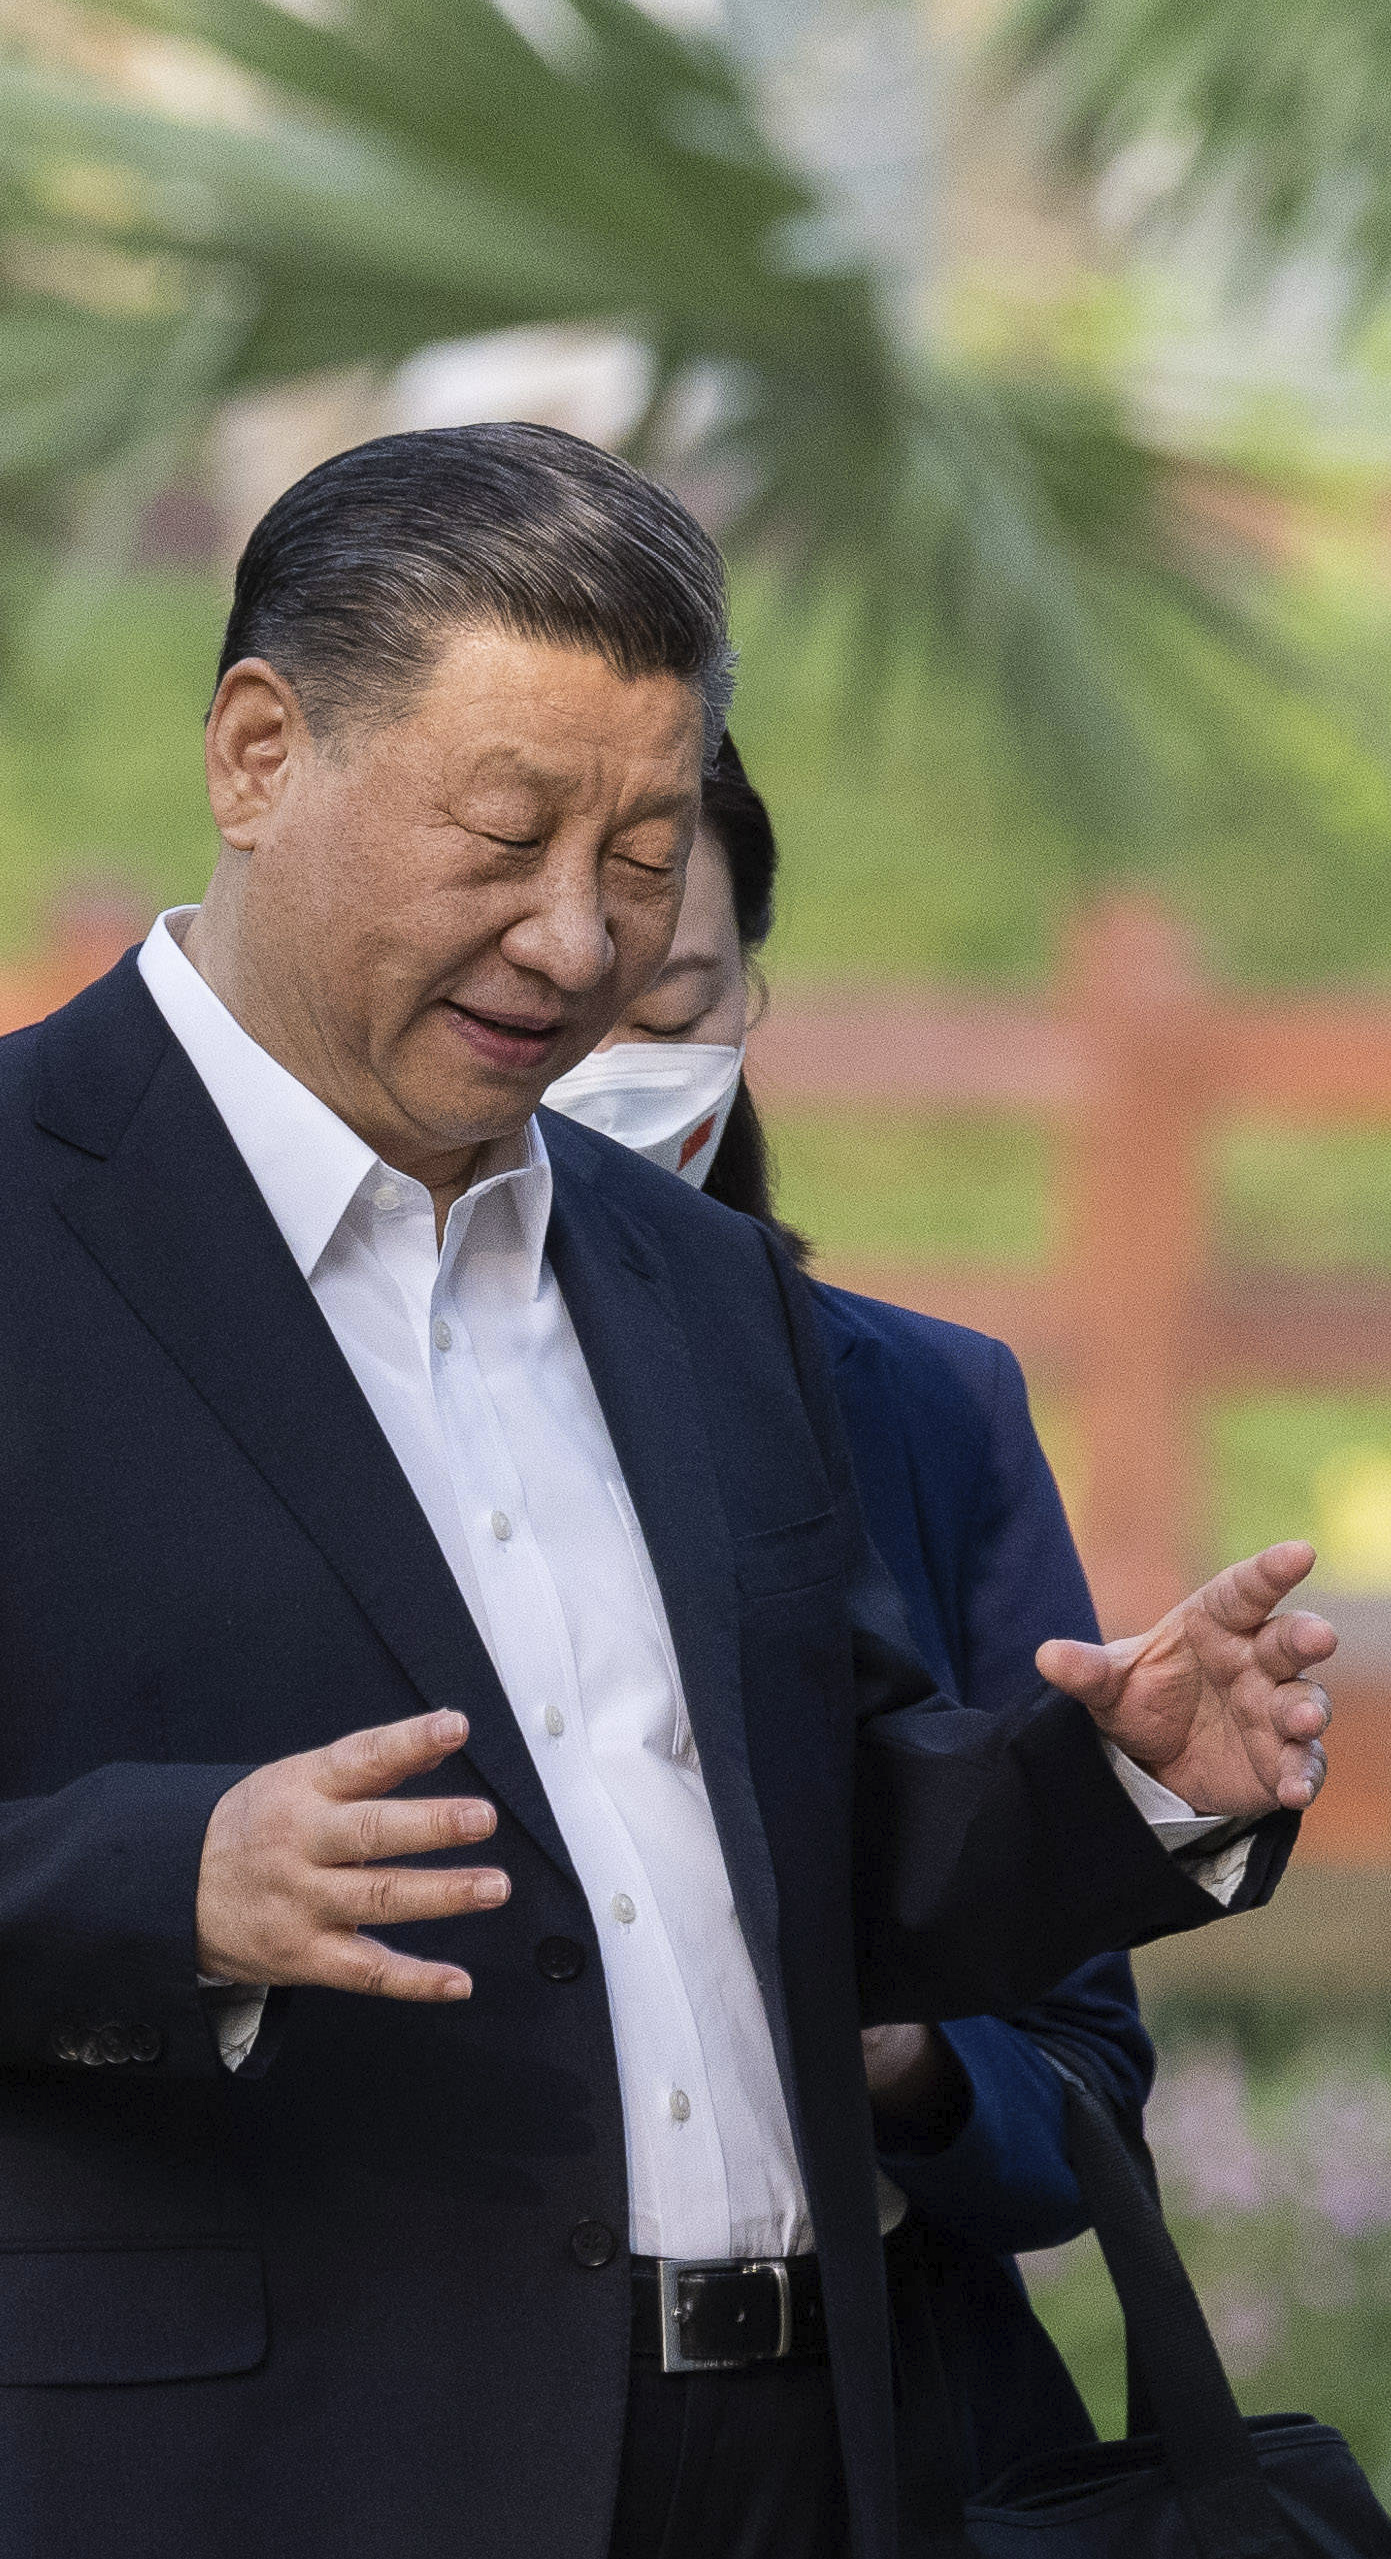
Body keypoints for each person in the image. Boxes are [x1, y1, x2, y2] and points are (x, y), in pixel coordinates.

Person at [0, 423, 1342, 2559]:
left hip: (802, 2457)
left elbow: (805, 1836)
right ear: (259, 754)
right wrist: (182, 1883)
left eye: (638, 856)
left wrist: (1119, 1784)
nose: (574, 937)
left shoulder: (696, 1278)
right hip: (244, 2483)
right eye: (505, 834)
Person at [548, 733, 1138, 2550]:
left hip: (872, 2435)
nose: (607, 1059)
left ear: (750, 1003)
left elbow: (1078, 2088)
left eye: (676, 998)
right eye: (554, 1004)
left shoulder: (920, 1408)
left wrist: (905, 2054)